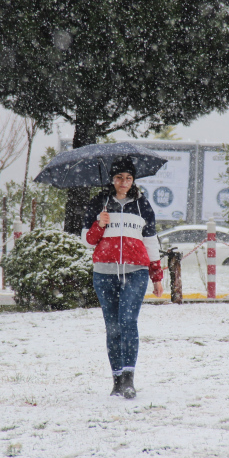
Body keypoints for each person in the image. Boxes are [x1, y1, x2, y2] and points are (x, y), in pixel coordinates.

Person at [82, 156, 164, 399]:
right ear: (112, 179)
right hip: (104, 272)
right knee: (113, 327)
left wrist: (156, 275)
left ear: (133, 180)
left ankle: (129, 380)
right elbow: (87, 239)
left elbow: (150, 242)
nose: (124, 182)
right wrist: (99, 223)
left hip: (136, 271)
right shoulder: (99, 202)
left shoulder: (142, 205)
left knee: (128, 322)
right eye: (119, 177)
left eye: (128, 178)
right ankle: (116, 380)